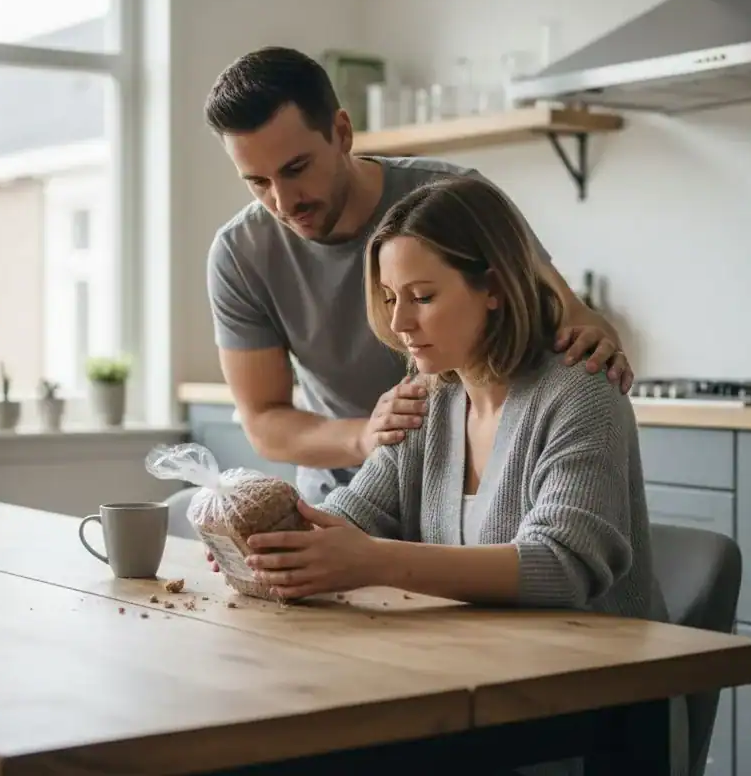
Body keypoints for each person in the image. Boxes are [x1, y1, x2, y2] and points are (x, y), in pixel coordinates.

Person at [239, 175, 686, 776]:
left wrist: (371, 559)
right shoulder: (427, 397)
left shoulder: (580, 394)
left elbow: (560, 564)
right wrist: (269, 539)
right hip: (469, 694)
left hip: (587, 718)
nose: (399, 322)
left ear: (494, 289)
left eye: (422, 296)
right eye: (390, 296)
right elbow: (349, 518)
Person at [203, 46, 636, 505]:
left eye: (297, 169)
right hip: (351, 492)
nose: (284, 202)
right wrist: (366, 436)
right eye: (258, 182)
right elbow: (265, 422)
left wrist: (597, 347)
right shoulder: (240, 254)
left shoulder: (450, 200)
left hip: (475, 492)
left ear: (342, 133)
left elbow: (572, 319)